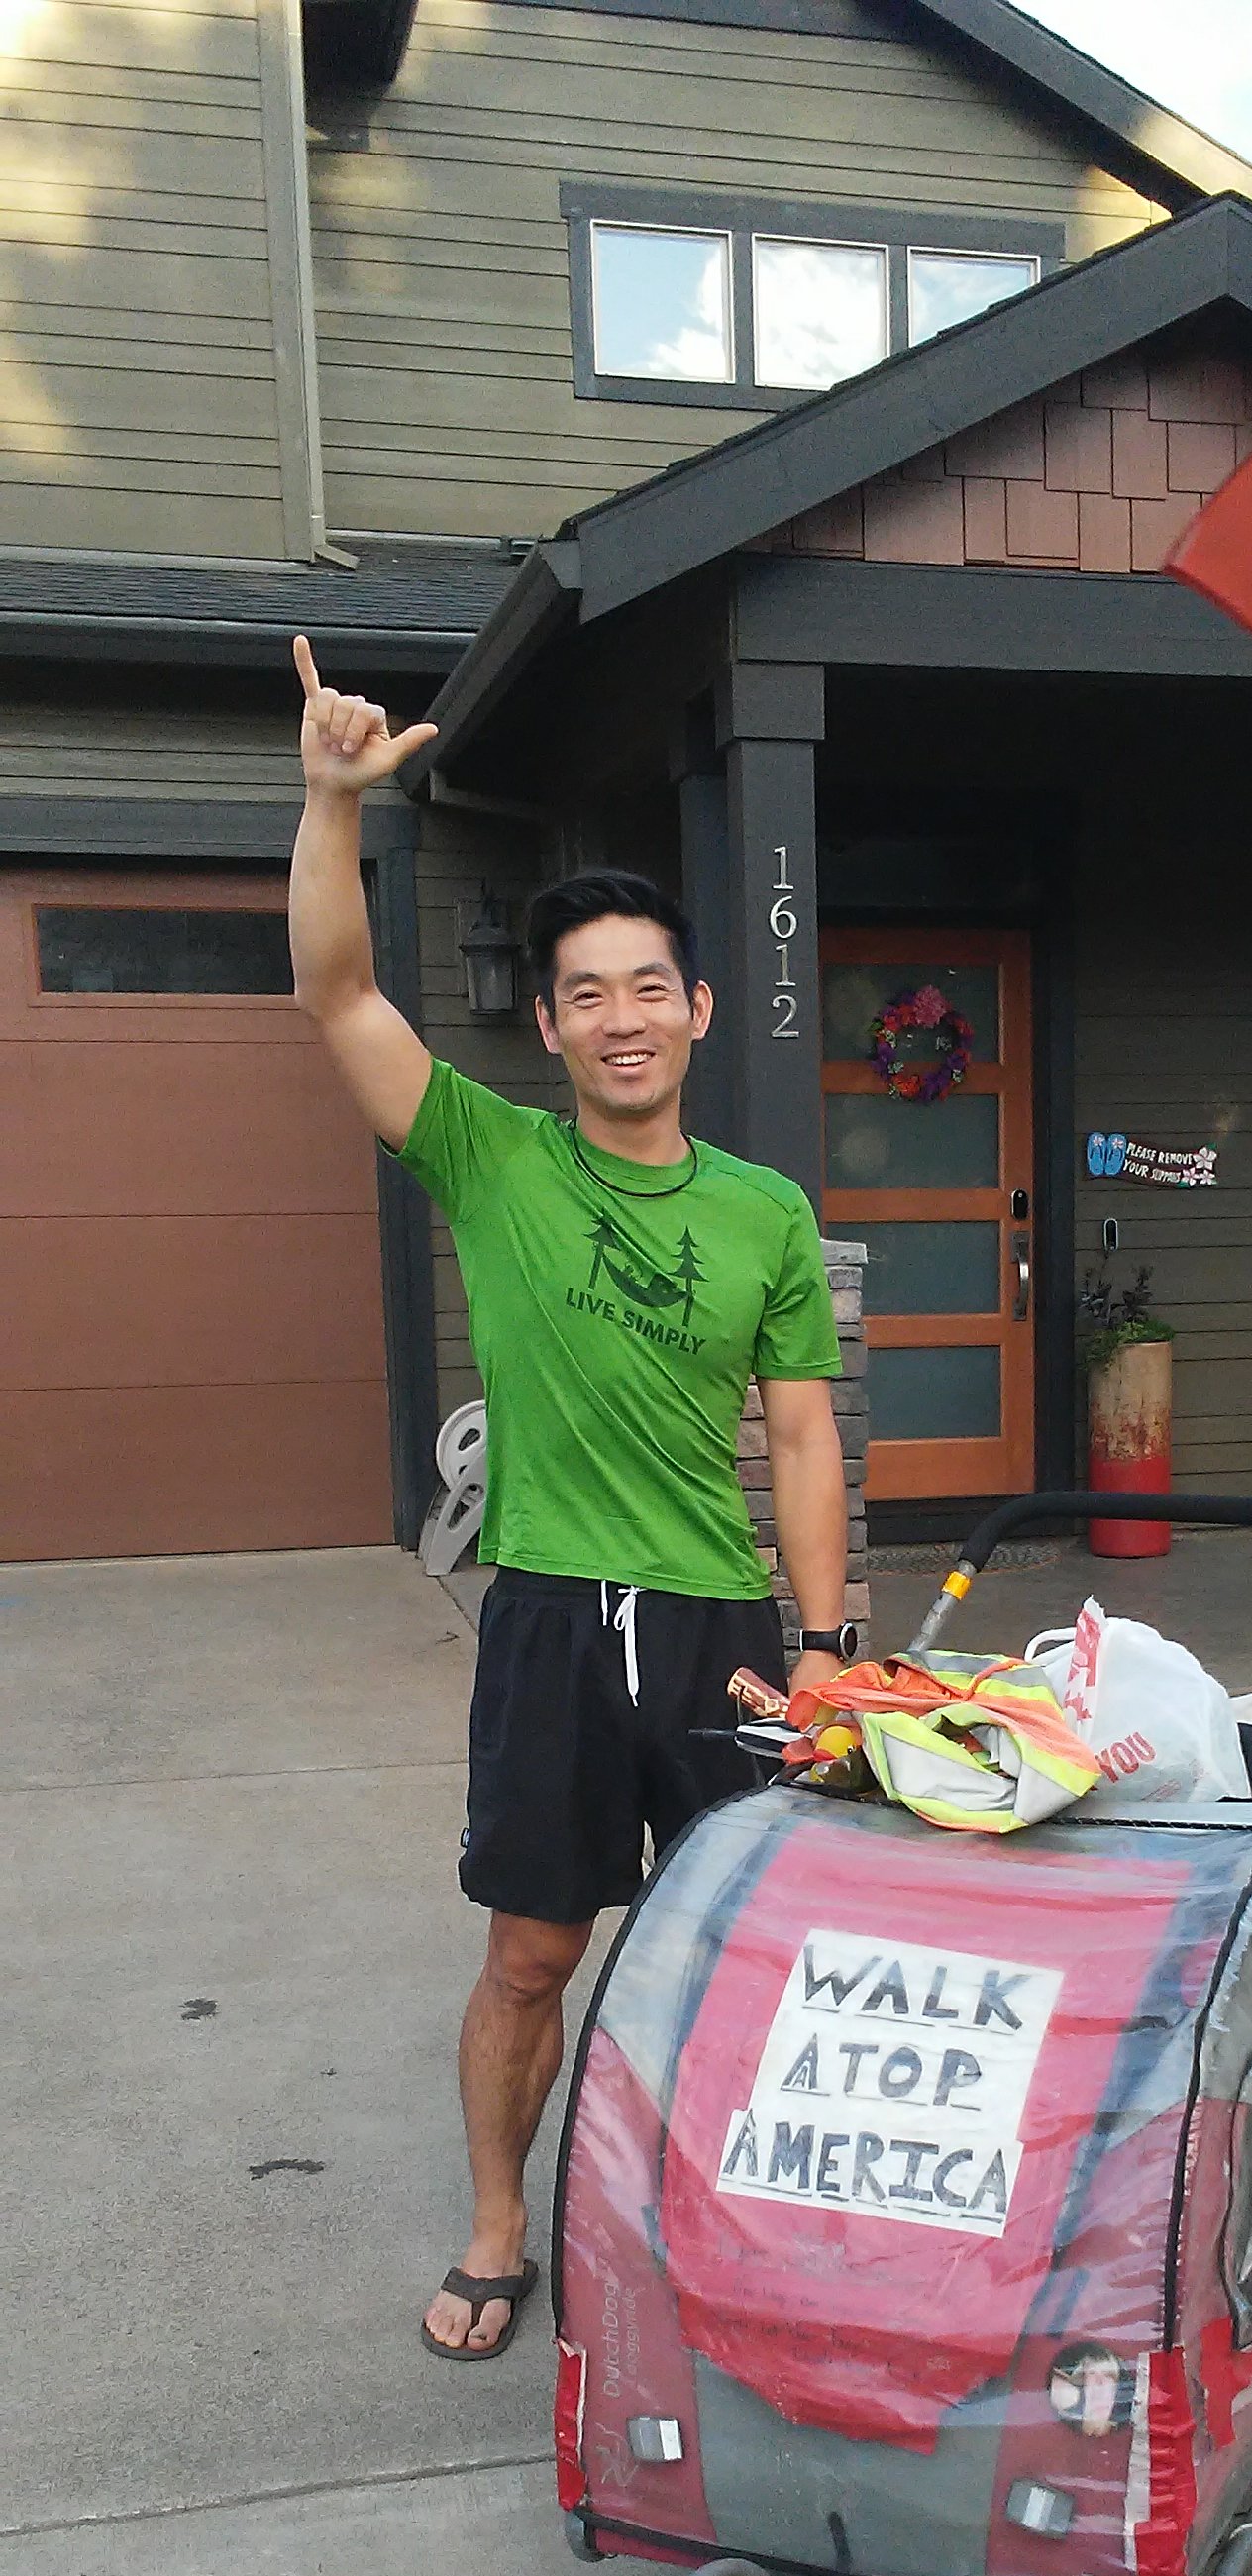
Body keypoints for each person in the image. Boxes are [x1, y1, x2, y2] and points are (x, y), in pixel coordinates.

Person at [286, 636, 855, 2361]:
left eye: (648, 987)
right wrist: (331, 802)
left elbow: (803, 1436)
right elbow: (338, 992)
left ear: (697, 1010)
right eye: (586, 993)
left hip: (717, 1625)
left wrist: (826, 1642)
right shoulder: (494, 1156)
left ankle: (722, 2232)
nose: (621, 1016)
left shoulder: (764, 1212)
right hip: (550, 1617)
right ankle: (497, 2226)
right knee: (533, 1954)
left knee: (743, 1951)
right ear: (550, 1024)